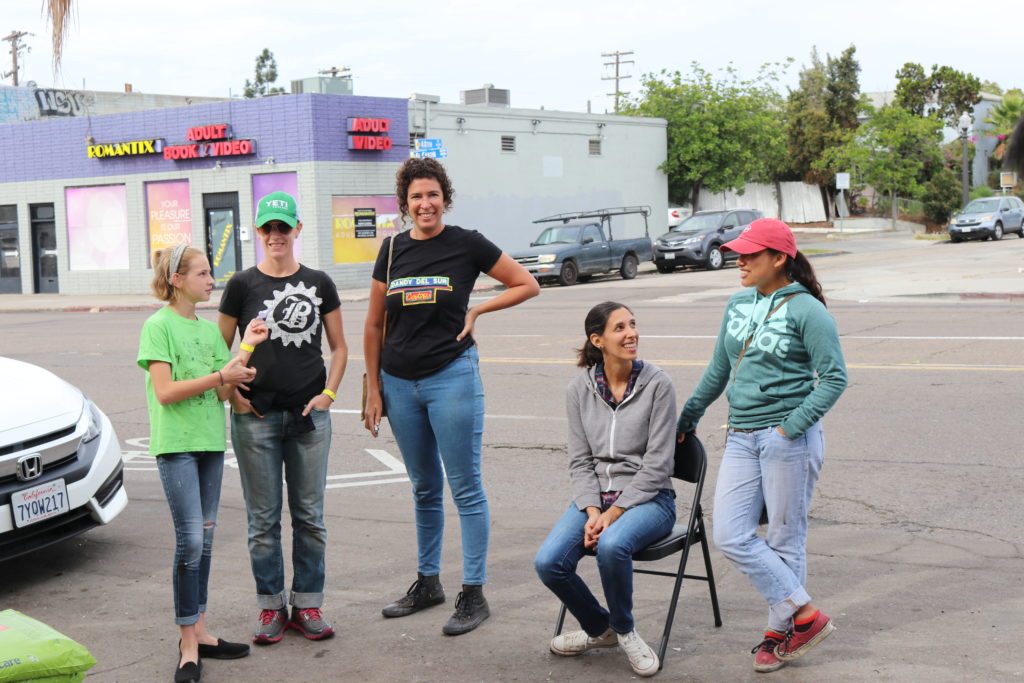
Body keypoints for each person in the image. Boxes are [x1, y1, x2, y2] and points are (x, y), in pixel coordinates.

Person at [362, 157, 539, 635]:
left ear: (445, 198)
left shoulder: (466, 243)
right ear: (405, 203)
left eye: (433, 194)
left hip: (451, 375)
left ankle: (474, 592)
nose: (425, 203)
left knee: (465, 487)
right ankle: (428, 582)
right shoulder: (393, 249)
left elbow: (527, 283)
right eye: (416, 196)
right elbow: (375, 323)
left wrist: (480, 309)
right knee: (423, 488)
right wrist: (372, 386)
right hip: (399, 383)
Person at [676, 218, 847, 673]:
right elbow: (718, 370)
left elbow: (834, 379)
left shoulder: (808, 311)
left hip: (786, 437)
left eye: (750, 254)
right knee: (730, 534)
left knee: (786, 539)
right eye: (739, 253)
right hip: (740, 435)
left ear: (779, 259)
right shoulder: (737, 304)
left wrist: (789, 428)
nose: (740, 261)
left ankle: (778, 633)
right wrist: (688, 416)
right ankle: (805, 614)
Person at [218, 191, 348, 645]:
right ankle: (271, 608)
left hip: (309, 416)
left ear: (297, 230)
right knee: (263, 522)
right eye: (267, 227)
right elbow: (219, 355)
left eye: (283, 227)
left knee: (310, 516)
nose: (276, 235)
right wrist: (233, 397)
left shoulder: (319, 282)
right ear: (258, 232)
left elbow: (340, 347)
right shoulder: (241, 284)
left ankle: (308, 603)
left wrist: (329, 394)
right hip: (255, 418)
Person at [138, 244, 267, 683]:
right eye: (203, 273)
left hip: (211, 443)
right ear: (177, 279)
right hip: (176, 445)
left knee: (206, 542)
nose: (212, 280)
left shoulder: (209, 331)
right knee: (190, 541)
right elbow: (166, 392)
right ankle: (187, 642)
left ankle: (203, 631)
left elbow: (221, 390)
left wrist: (246, 351)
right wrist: (222, 377)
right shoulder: (158, 327)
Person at [534, 302, 677, 678]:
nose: (631, 333)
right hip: (596, 501)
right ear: (597, 340)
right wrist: (594, 511)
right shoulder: (578, 390)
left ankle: (626, 630)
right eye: (619, 328)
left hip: (651, 500)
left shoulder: (658, 384)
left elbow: (659, 465)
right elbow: (580, 461)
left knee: (612, 546)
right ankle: (601, 630)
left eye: (632, 324)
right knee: (548, 563)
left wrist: (613, 515)